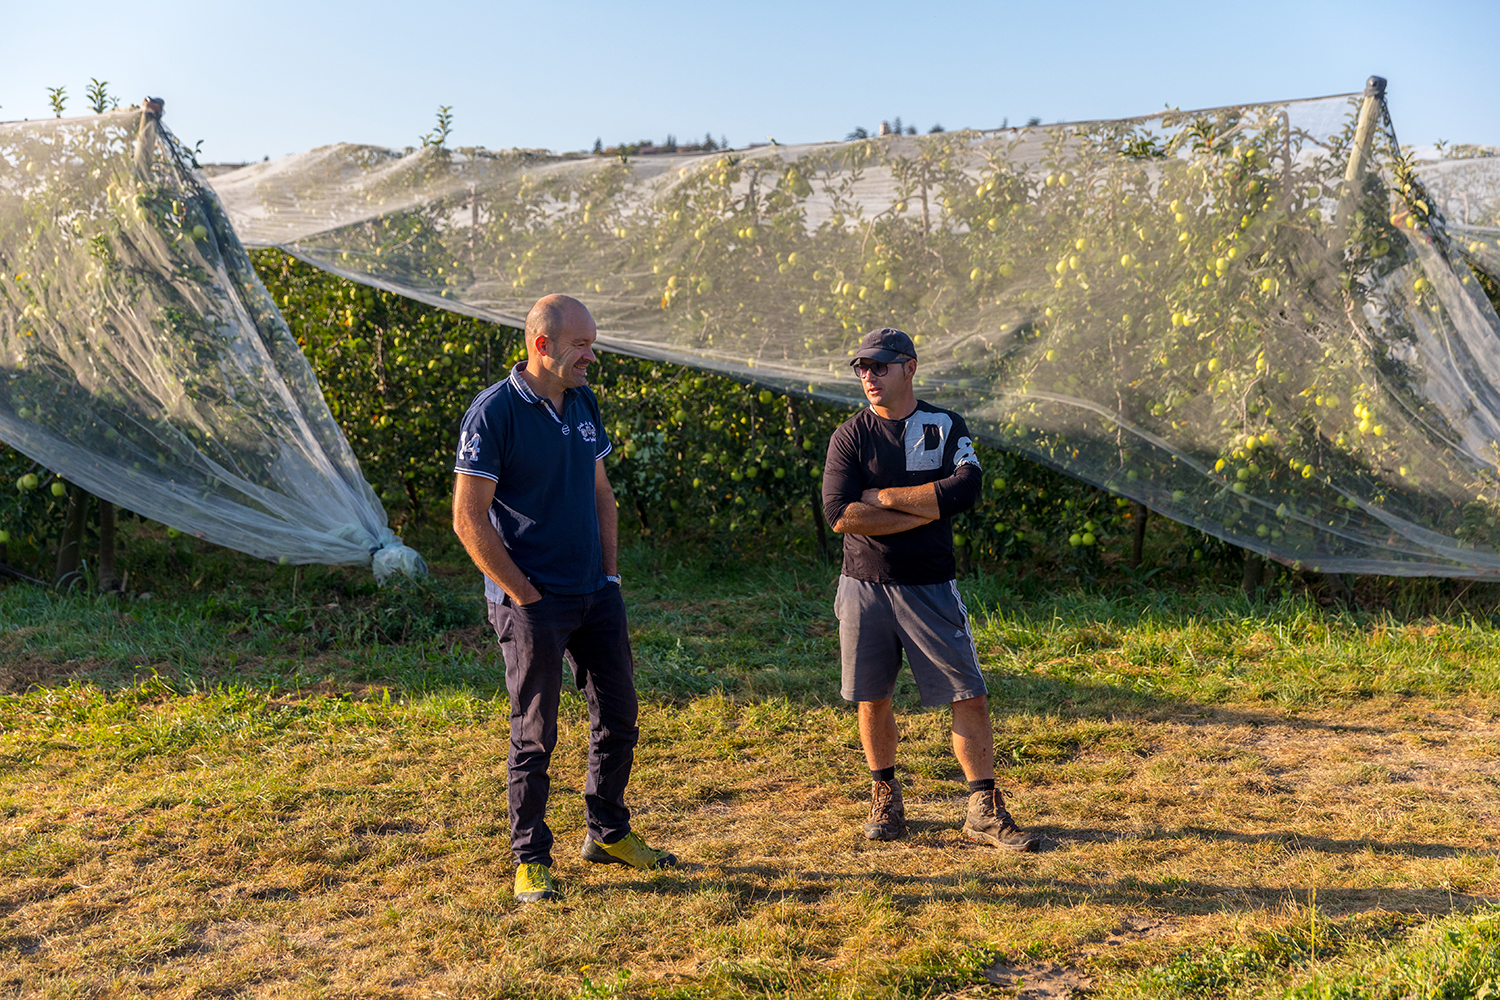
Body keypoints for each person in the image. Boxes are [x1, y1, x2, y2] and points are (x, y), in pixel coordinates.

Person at [452, 293, 676, 904]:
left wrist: (608, 575)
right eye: (581, 344)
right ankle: (529, 857)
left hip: (594, 595)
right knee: (535, 732)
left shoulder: (582, 401)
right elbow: (467, 518)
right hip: (531, 603)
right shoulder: (493, 413)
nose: (591, 356)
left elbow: (601, 492)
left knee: (619, 715)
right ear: (541, 344)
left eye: (593, 343)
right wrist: (522, 593)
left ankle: (606, 833)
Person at [821, 327, 1038, 851]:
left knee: (969, 694)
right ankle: (885, 797)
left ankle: (982, 809)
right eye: (862, 368)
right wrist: (926, 507)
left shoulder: (944, 426)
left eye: (879, 366)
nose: (868, 376)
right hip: (863, 587)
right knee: (872, 697)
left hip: (930, 587)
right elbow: (839, 514)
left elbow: (966, 488)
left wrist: (889, 497)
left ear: (909, 368)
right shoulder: (849, 435)